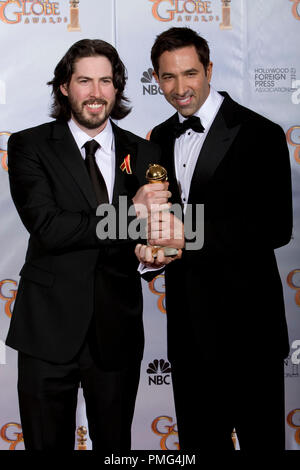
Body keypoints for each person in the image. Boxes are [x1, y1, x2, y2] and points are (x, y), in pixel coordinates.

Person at [6, 39, 170, 451]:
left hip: (116, 330)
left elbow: (168, 228)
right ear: (64, 86)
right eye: (84, 81)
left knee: (115, 449)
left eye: (106, 81)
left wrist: (155, 254)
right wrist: (130, 214)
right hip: (47, 329)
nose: (96, 93)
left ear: (118, 88)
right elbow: (49, 227)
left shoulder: (146, 151)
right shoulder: (30, 145)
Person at [135, 27, 293, 452]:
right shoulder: (158, 138)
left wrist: (189, 235)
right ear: (156, 78)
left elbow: (277, 226)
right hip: (187, 330)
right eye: (168, 77)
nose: (180, 88)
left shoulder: (260, 133)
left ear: (208, 69)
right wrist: (150, 253)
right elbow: (155, 221)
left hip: (249, 330)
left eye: (190, 74)